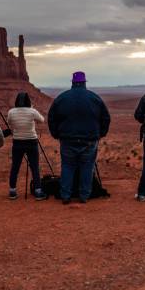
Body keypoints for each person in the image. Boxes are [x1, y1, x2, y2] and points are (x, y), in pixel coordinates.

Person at [48, 71, 110, 204]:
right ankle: (84, 196)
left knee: (67, 167)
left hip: (67, 139)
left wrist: (55, 134)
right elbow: (106, 118)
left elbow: (51, 118)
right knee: (87, 167)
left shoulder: (61, 98)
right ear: (84, 83)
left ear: (72, 82)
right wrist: (100, 134)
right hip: (89, 140)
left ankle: (65, 196)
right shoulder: (94, 98)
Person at [7, 92, 46, 200]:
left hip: (17, 141)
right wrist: (31, 110)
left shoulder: (11, 112)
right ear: (28, 101)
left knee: (15, 167)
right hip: (31, 142)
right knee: (34, 167)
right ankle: (38, 191)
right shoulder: (32, 111)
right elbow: (42, 120)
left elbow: (9, 122)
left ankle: (12, 191)